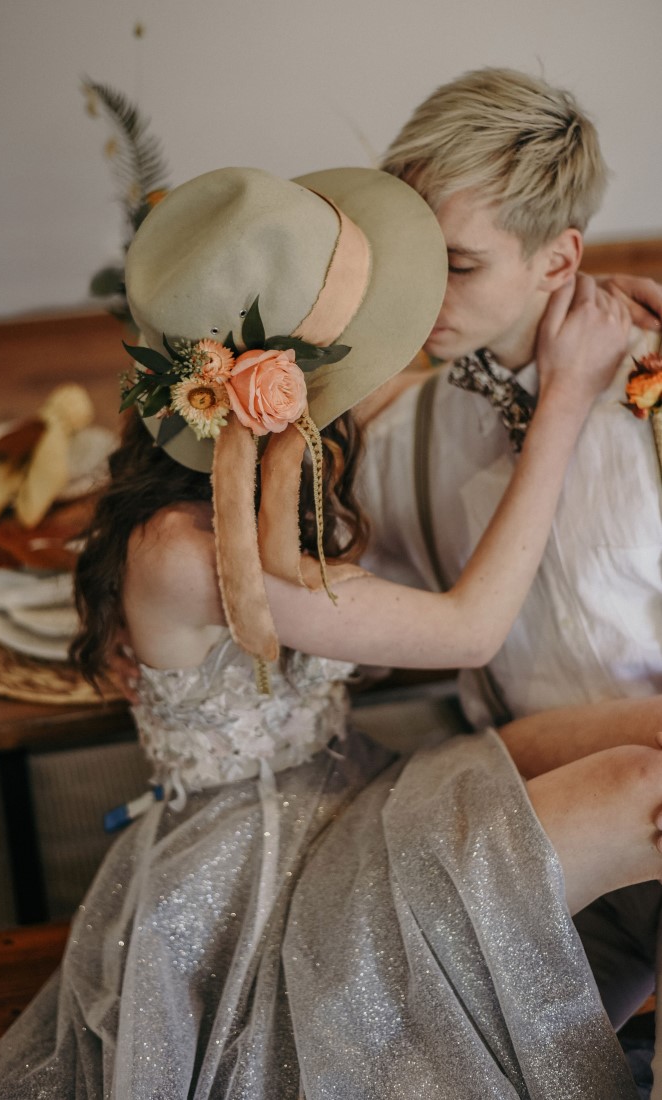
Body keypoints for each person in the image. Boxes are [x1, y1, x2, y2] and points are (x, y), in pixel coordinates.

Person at [0, 163, 658, 1099]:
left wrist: (597, 316)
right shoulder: (183, 549)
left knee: (652, 736)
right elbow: (472, 629)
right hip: (259, 872)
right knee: (645, 788)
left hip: (351, 785)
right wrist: (566, 402)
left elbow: (442, 364)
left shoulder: (286, 453)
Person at [356, 66, 662, 1040]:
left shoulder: (651, 397)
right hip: (546, 834)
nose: (421, 293)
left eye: (456, 264)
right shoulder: (404, 439)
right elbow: (362, 626)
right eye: (410, 257)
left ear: (554, 258)